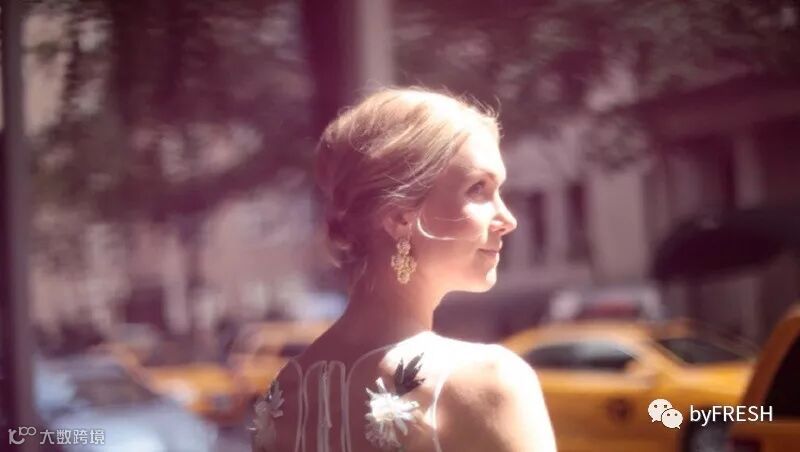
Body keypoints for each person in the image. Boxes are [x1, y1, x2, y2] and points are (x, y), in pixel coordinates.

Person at [252, 87, 556, 451]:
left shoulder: (283, 393)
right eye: (478, 189)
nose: (508, 219)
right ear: (399, 217)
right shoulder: (491, 381)